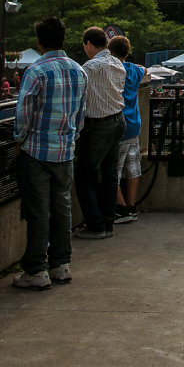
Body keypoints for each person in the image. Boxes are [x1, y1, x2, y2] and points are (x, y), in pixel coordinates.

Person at [12, 16, 87, 290]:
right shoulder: (79, 71)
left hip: (36, 152)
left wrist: (19, 139)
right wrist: (71, 139)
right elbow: (80, 116)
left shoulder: (36, 71)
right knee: (62, 207)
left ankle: (36, 269)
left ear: (39, 41)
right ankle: (60, 265)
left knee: (38, 211)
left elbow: (23, 113)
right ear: (63, 38)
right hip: (65, 151)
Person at [74, 26, 126, 239]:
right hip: (117, 120)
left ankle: (95, 224)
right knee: (110, 174)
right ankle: (108, 221)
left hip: (98, 124)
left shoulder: (90, 67)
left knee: (84, 173)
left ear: (88, 44)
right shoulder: (117, 64)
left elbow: (79, 98)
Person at [107, 35, 148, 224]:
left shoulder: (114, 70)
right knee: (133, 167)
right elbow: (144, 69)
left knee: (113, 169)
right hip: (135, 123)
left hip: (119, 124)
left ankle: (121, 208)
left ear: (110, 51)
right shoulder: (134, 70)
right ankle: (131, 206)